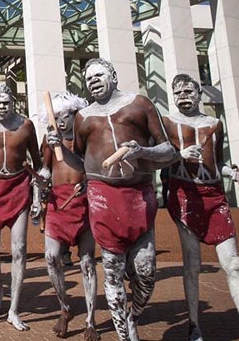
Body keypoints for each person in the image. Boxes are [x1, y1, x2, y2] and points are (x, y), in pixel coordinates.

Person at [73, 58, 174, 341]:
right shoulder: (83, 117)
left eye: (99, 75)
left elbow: (169, 151)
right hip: (102, 196)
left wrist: (142, 151)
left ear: (114, 76)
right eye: (88, 77)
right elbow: (81, 159)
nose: (92, 80)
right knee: (113, 270)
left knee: (146, 273)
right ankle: (124, 336)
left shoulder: (139, 104)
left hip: (139, 196)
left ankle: (133, 317)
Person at [162, 74, 239, 341]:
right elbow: (158, 158)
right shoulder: (167, 123)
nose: (183, 96)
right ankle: (194, 326)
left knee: (234, 264)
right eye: (178, 92)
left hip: (215, 196)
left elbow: (218, 162)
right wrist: (178, 155)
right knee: (192, 263)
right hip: (185, 196)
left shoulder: (215, 123)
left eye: (188, 91)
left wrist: (233, 173)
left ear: (199, 92)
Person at [0, 82, 41, 331]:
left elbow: (37, 162)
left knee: (19, 249)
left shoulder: (25, 125)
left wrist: (39, 193)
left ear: (13, 101)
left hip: (18, 188)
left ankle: (13, 309)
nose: (2, 106)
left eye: (6, 102)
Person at [41, 91, 99, 340]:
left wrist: (87, 182)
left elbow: (92, 168)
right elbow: (44, 170)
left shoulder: (87, 139)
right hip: (57, 203)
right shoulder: (49, 139)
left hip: (83, 203)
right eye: (56, 116)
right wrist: (39, 193)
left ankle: (90, 320)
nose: (61, 120)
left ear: (76, 115)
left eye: (66, 115)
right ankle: (64, 307)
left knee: (87, 261)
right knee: (51, 257)